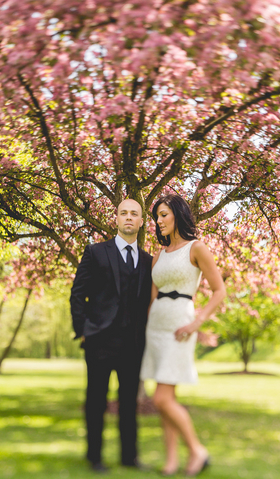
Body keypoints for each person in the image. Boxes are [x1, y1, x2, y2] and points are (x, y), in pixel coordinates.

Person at [140, 193, 226, 477]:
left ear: (178, 214)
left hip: (180, 327)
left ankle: (196, 449)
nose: (159, 221)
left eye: (163, 214)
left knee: (162, 399)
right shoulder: (158, 254)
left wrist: (197, 322)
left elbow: (219, 291)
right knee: (166, 398)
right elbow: (152, 296)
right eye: (156, 217)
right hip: (156, 328)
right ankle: (171, 461)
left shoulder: (196, 248)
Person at [70, 199, 154, 473]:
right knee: (96, 399)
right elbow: (77, 293)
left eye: (134, 214)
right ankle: (94, 457)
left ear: (141, 222)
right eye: (124, 213)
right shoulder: (95, 252)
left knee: (129, 402)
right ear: (116, 219)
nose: (129, 218)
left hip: (133, 343)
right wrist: (82, 330)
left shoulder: (148, 261)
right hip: (99, 340)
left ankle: (129, 457)